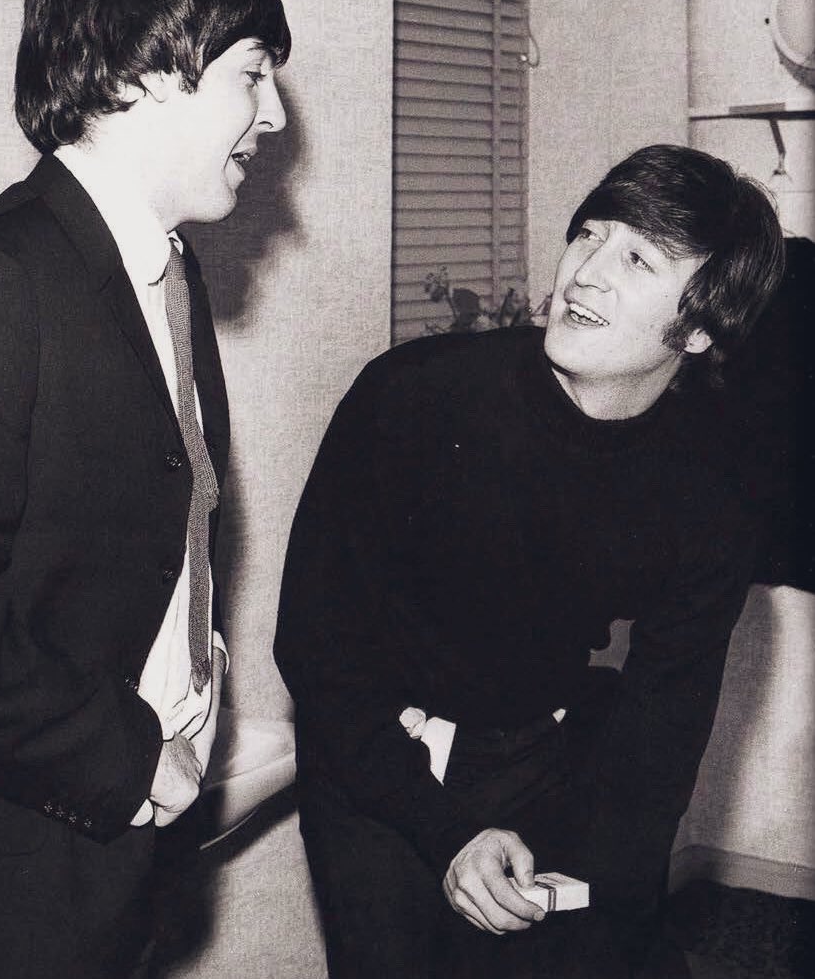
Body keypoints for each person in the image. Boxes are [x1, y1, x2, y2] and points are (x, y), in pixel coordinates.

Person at [274, 144, 785, 978]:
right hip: (375, 756)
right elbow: (317, 649)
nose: (585, 272)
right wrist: (445, 835)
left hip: (534, 752)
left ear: (697, 329)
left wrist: (615, 895)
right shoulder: (411, 397)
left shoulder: (712, 487)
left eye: (635, 258)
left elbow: (665, 713)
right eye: (588, 234)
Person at [0, 0, 289, 979]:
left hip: (124, 847)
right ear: (147, 70)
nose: (276, 114)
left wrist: (196, 688)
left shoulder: (169, 269)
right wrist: (127, 754)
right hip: (16, 860)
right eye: (252, 71)